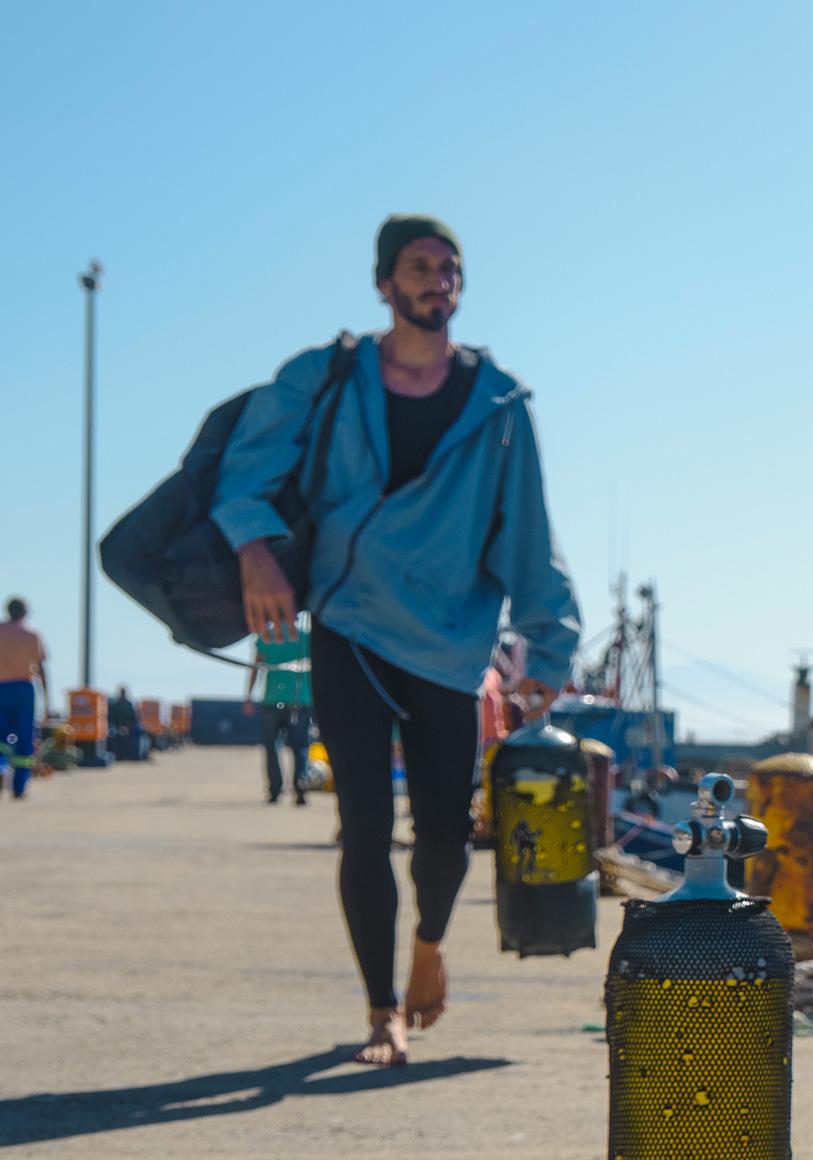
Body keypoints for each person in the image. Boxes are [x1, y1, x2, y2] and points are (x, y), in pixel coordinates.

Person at [212, 213, 581, 1067]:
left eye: (449, 269)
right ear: (384, 284)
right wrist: (255, 551)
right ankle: (382, 1010)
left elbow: (528, 530)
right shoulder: (327, 377)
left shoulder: (498, 404)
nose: (437, 280)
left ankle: (429, 946)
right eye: (419, 267)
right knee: (366, 823)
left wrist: (547, 650)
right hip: (348, 626)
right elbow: (246, 467)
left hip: (451, 644)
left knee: (447, 834)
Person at [246, 615, 314, 805]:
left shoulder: (266, 636)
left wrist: (248, 696)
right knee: (300, 746)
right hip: (300, 700)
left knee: (271, 746)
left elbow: (255, 667)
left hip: (272, 699)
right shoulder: (305, 637)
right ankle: (301, 788)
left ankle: (275, 790)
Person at [0, 597, 48, 799]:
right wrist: (47, 699)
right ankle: (19, 787)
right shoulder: (32, 634)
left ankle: (1, 769)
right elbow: (42, 669)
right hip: (23, 689)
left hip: (1, 688)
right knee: (24, 737)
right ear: (25, 613)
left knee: (1, 735)